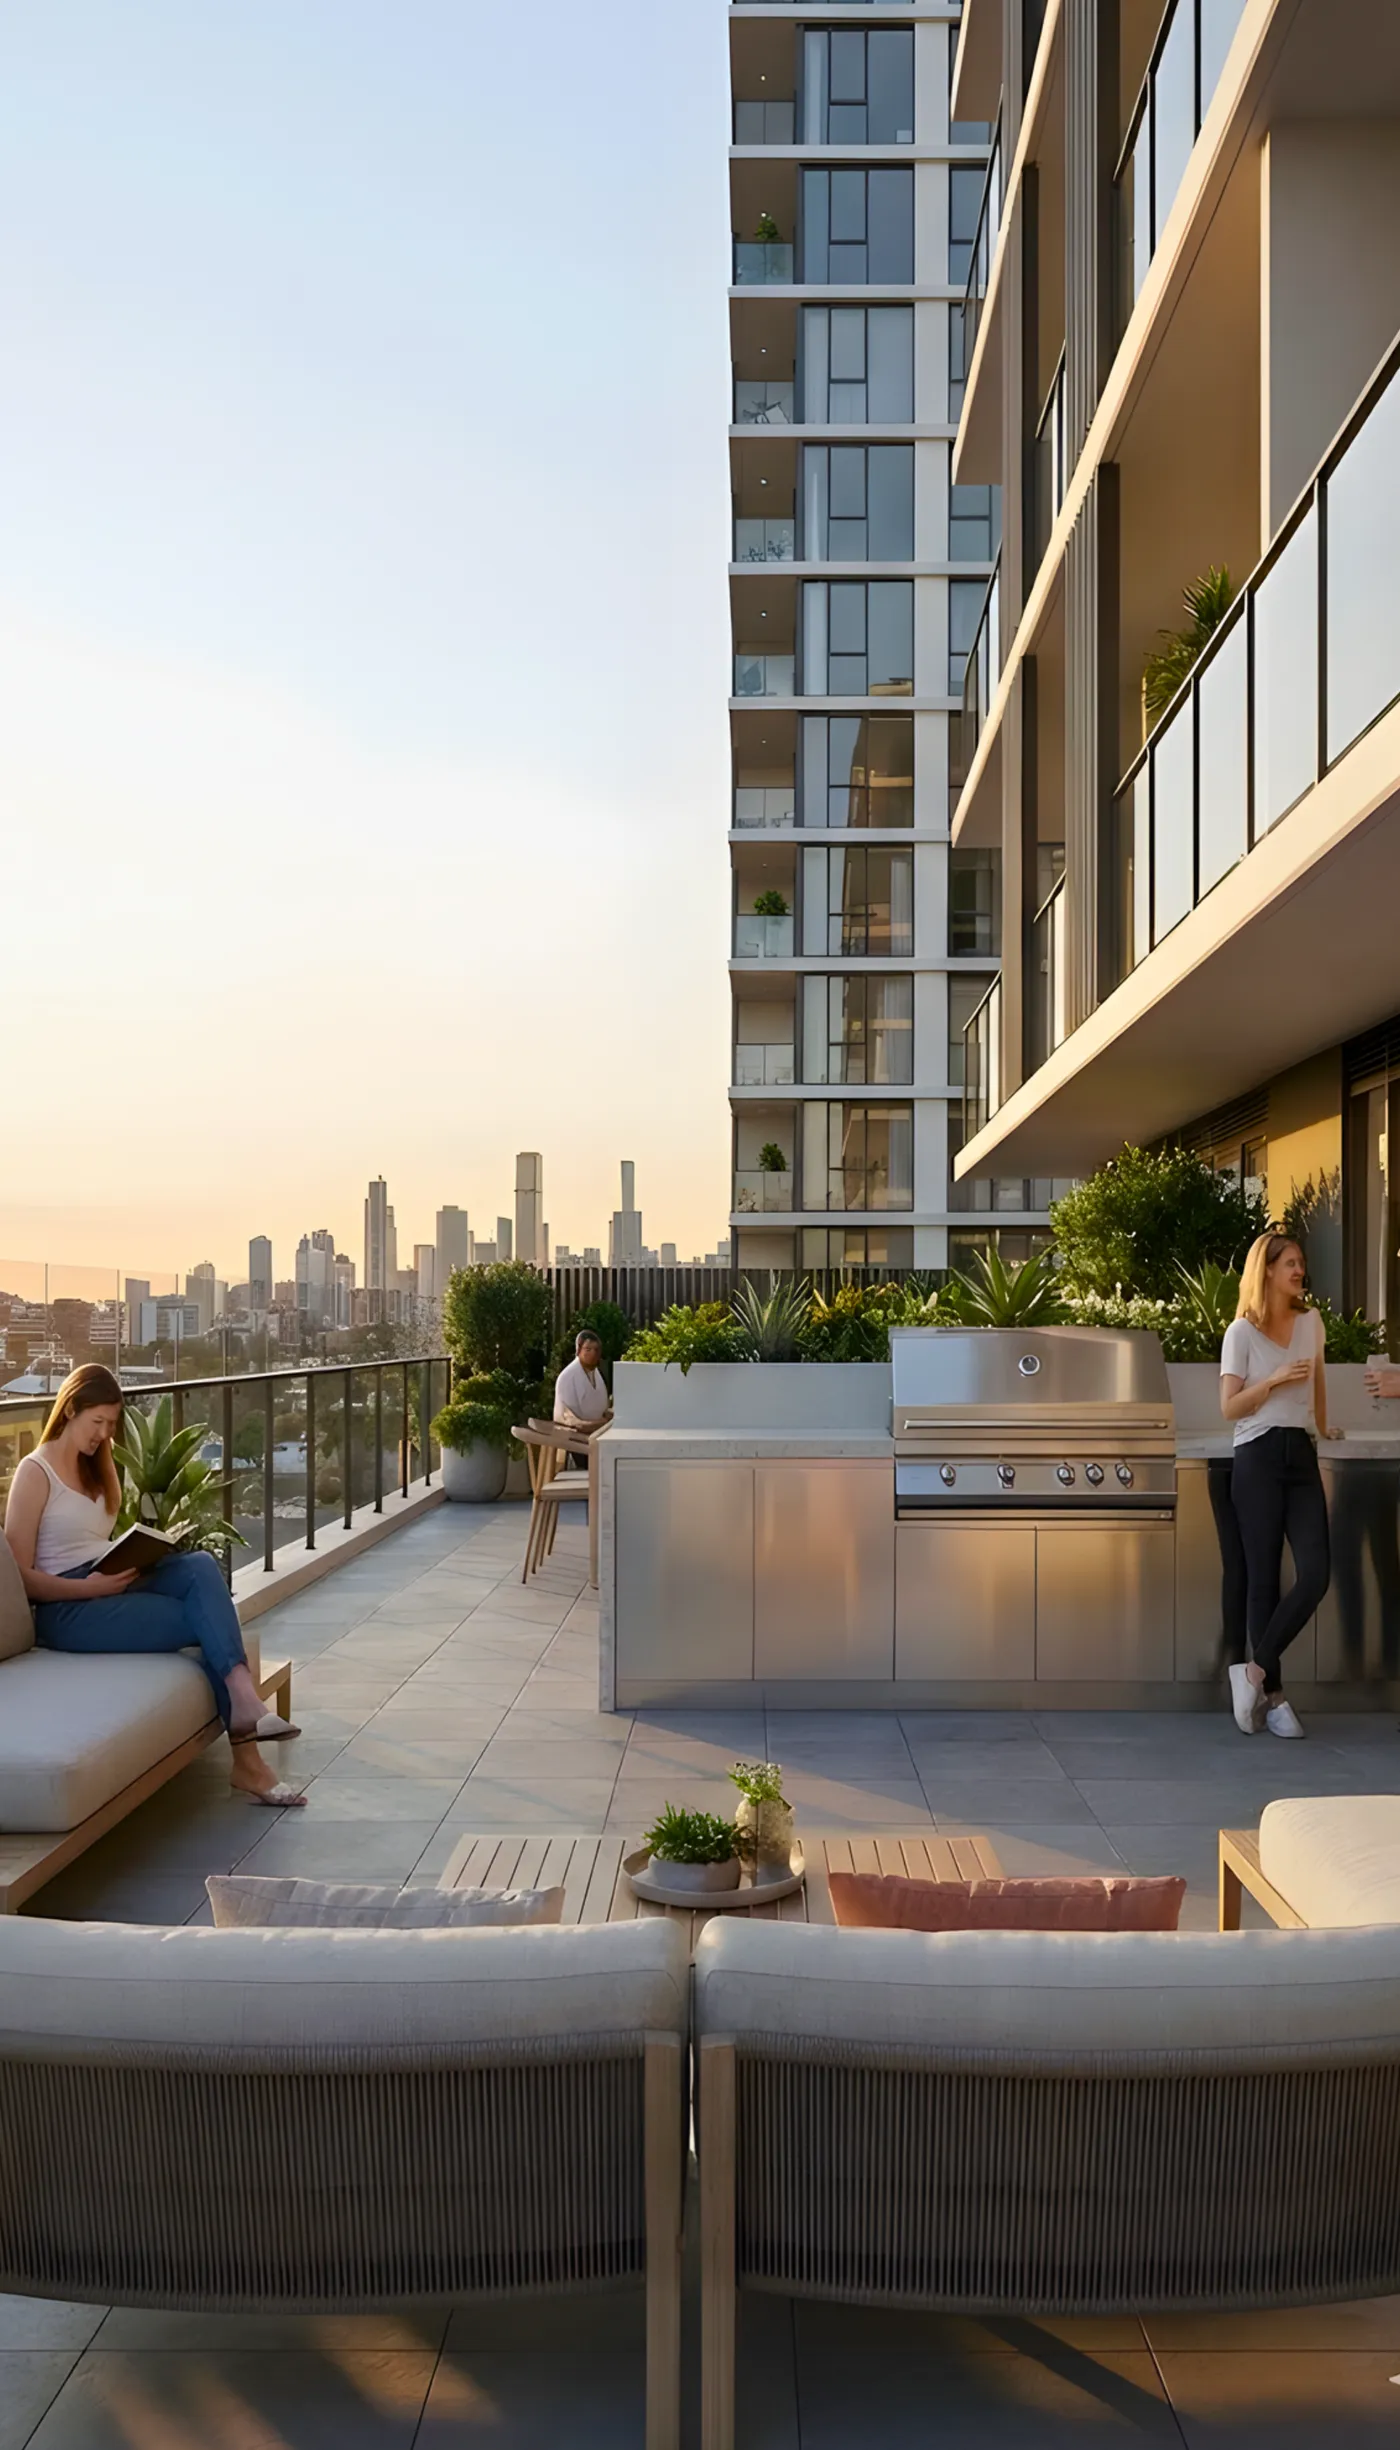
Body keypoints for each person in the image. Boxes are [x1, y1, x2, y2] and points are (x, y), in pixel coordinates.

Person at [3, 1364, 306, 1807]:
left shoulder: (97, 1468)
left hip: (107, 1580)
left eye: (111, 1425)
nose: (104, 1435)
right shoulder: (36, 1472)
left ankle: (243, 1699)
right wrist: (91, 1589)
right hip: (66, 1609)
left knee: (200, 1565)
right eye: (97, 1423)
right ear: (69, 1410)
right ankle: (249, 1759)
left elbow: (94, 1543)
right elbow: (19, 1577)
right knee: (203, 1621)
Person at [1219, 1233, 1334, 1739]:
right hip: (1258, 1456)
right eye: (1290, 1263)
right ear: (1265, 1270)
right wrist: (1274, 1381)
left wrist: (1326, 1430)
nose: (1299, 1271)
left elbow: (1321, 1385)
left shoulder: (1312, 1322)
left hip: (1301, 1456)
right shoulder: (1241, 1333)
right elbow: (1230, 1408)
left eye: (1300, 1264)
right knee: (1262, 1580)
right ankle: (1277, 1700)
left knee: (1316, 1573)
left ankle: (1253, 1671)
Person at [554, 1329, 612, 1435]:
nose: (593, 1354)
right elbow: (570, 1420)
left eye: (596, 1350)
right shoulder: (567, 1377)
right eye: (588, 1349)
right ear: (578, 1350)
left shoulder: (596, 1375)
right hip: (574, 1439)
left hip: (598, 1434)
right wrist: (603, 1423)